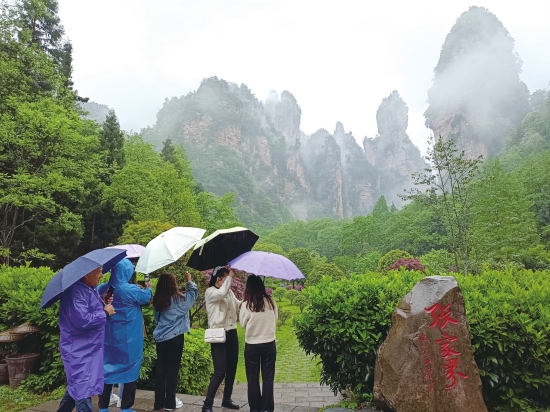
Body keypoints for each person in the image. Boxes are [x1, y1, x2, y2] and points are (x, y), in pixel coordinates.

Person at [56, 266, 115, 412]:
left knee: (77, 386)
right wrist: (105, 313)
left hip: (87, 347)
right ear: (88, 273)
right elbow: (82, 320)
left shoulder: (89, 288)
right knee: (82, 388)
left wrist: (103, 300)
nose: (102, 275)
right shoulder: (75, 292)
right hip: (78, 349)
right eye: (99, 271)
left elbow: (89, 309)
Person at [97, 259, 152, 412]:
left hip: (109, 337)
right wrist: (148, 288)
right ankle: (126, 407)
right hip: (130, 338)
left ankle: (103, 407)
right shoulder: (131, 290)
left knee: (106, 369)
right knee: (131, 368)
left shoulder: (103, 288)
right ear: (127, 272)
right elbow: (146, 298)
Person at [152, 271, 198, 411]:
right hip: (176, 338)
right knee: (173, 370)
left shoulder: (157, 300)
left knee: (161, 369)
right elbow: (193, 294)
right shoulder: (180, 299)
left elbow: (157, 318)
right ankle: (170, 403)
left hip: (161, 338)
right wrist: (189, 280)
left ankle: (158, 403)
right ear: (174, 284)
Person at [201, 266, 242, 412]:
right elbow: (222, 292)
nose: (229, 282)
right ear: (218, 279)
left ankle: (226, 399)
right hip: (218, 334)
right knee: (220, 371)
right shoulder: (211, 292)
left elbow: (237, 305)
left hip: (232, 333)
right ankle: (207, 404)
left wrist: (250, 300)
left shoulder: (228, 291)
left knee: (232, 369)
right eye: (226, 278)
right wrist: (230, 276)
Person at [239, 275, 278, 412]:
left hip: (252, 345)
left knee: (253, 378)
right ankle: (267, 409)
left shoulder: (246, 304)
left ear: (248, 287)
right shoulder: (271, 301)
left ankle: (255, 408)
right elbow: (275, 319)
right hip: (269, 344)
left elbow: (243, 324)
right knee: (268, 378)